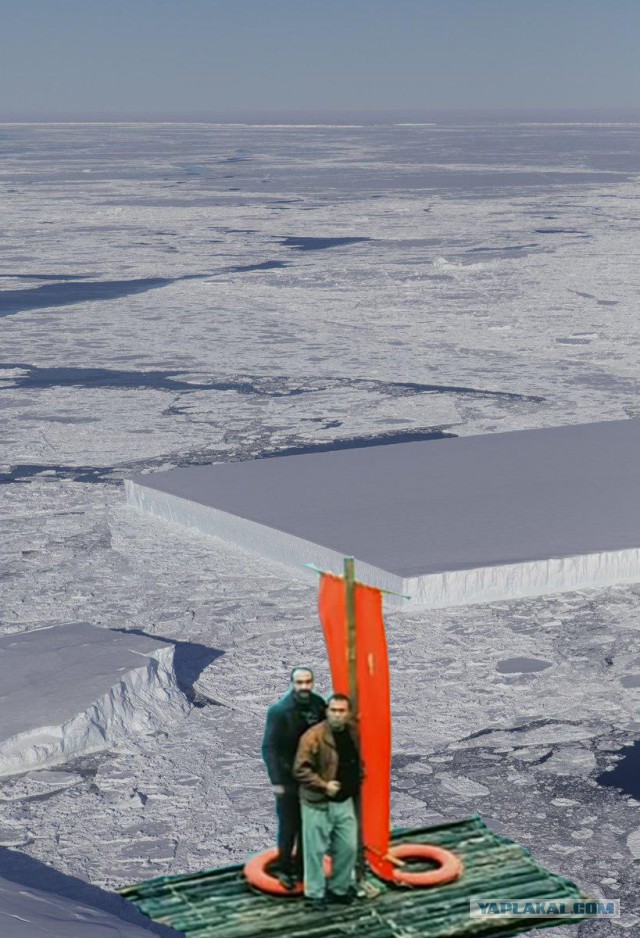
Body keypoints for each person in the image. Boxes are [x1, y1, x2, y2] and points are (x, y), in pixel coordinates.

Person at [293, 693, 363, 910]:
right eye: (333, 710)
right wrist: (324, 785)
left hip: (343, 801)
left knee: (348, 847)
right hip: (318, 804)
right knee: (315, 850)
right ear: (327, 711)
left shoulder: (351, 733)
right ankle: (314, 895)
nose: (337, 715)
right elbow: (300, 770)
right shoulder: (313, 737)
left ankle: (339, 890)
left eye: (341, 711)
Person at [261, 667, 326, 889]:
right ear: (293, 684)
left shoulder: (319, 706)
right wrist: (278, 780)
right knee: (290, 826)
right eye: (300, 682)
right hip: (288, 781)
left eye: (308, 682)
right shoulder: (279, 712)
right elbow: (270, 748)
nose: (304, 687)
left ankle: (304, 871)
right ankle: (285, 870)